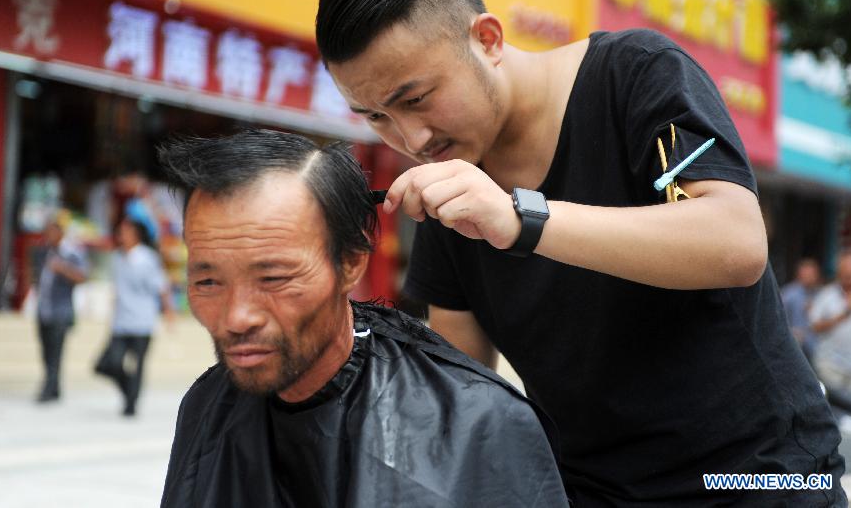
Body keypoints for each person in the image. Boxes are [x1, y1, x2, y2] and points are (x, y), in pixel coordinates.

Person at [315, 0, 846, 506]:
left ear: (488, 39)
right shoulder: (450, 187)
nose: (410, 139)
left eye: (417, 98)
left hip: (763, 476)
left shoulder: (638, 75)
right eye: (375, 116)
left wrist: (522, 218)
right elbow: (462, 396)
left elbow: (736, 242)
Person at [156, 129, 568, 507]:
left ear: (350, 264)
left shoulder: (479, 424)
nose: (237, 318)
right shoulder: (205, 405)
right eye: (208, 281)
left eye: (274, 277)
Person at [95, 217, 173, 416]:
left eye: (125, 231)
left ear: (136, 235)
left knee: (137, 365)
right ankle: (130, 391)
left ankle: (131, 404)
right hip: (121, 322)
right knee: (108, 364)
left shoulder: (148, 259)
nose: (121, 235)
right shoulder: (117, 258)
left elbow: (161, 287)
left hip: (142, 320)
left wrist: (168, 312)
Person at [33, 218, 89, 402]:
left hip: (61, 311)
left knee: (56, 351)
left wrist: (63, 269)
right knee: (45, 350)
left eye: (51, 232)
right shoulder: (44, 252)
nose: (48, 236)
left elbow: (82, 276)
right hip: (44, 309)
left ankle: (49, 387)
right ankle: (54, 387)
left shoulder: (71, 254)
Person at [811, 252, 851, 396]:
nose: (849, 276)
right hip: (830, 363)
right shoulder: (826, 294)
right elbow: (814, 327)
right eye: (845, 273)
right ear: (839, 273)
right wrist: (841, 317)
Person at [782, 257, 822, 362]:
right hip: (796, 346)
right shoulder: (788, 294)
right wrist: (794, 332)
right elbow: (780, 321)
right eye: (805, 273)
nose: (809, 277)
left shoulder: (822, 294)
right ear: (799, 274)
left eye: (811, 274)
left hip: (818, 345)